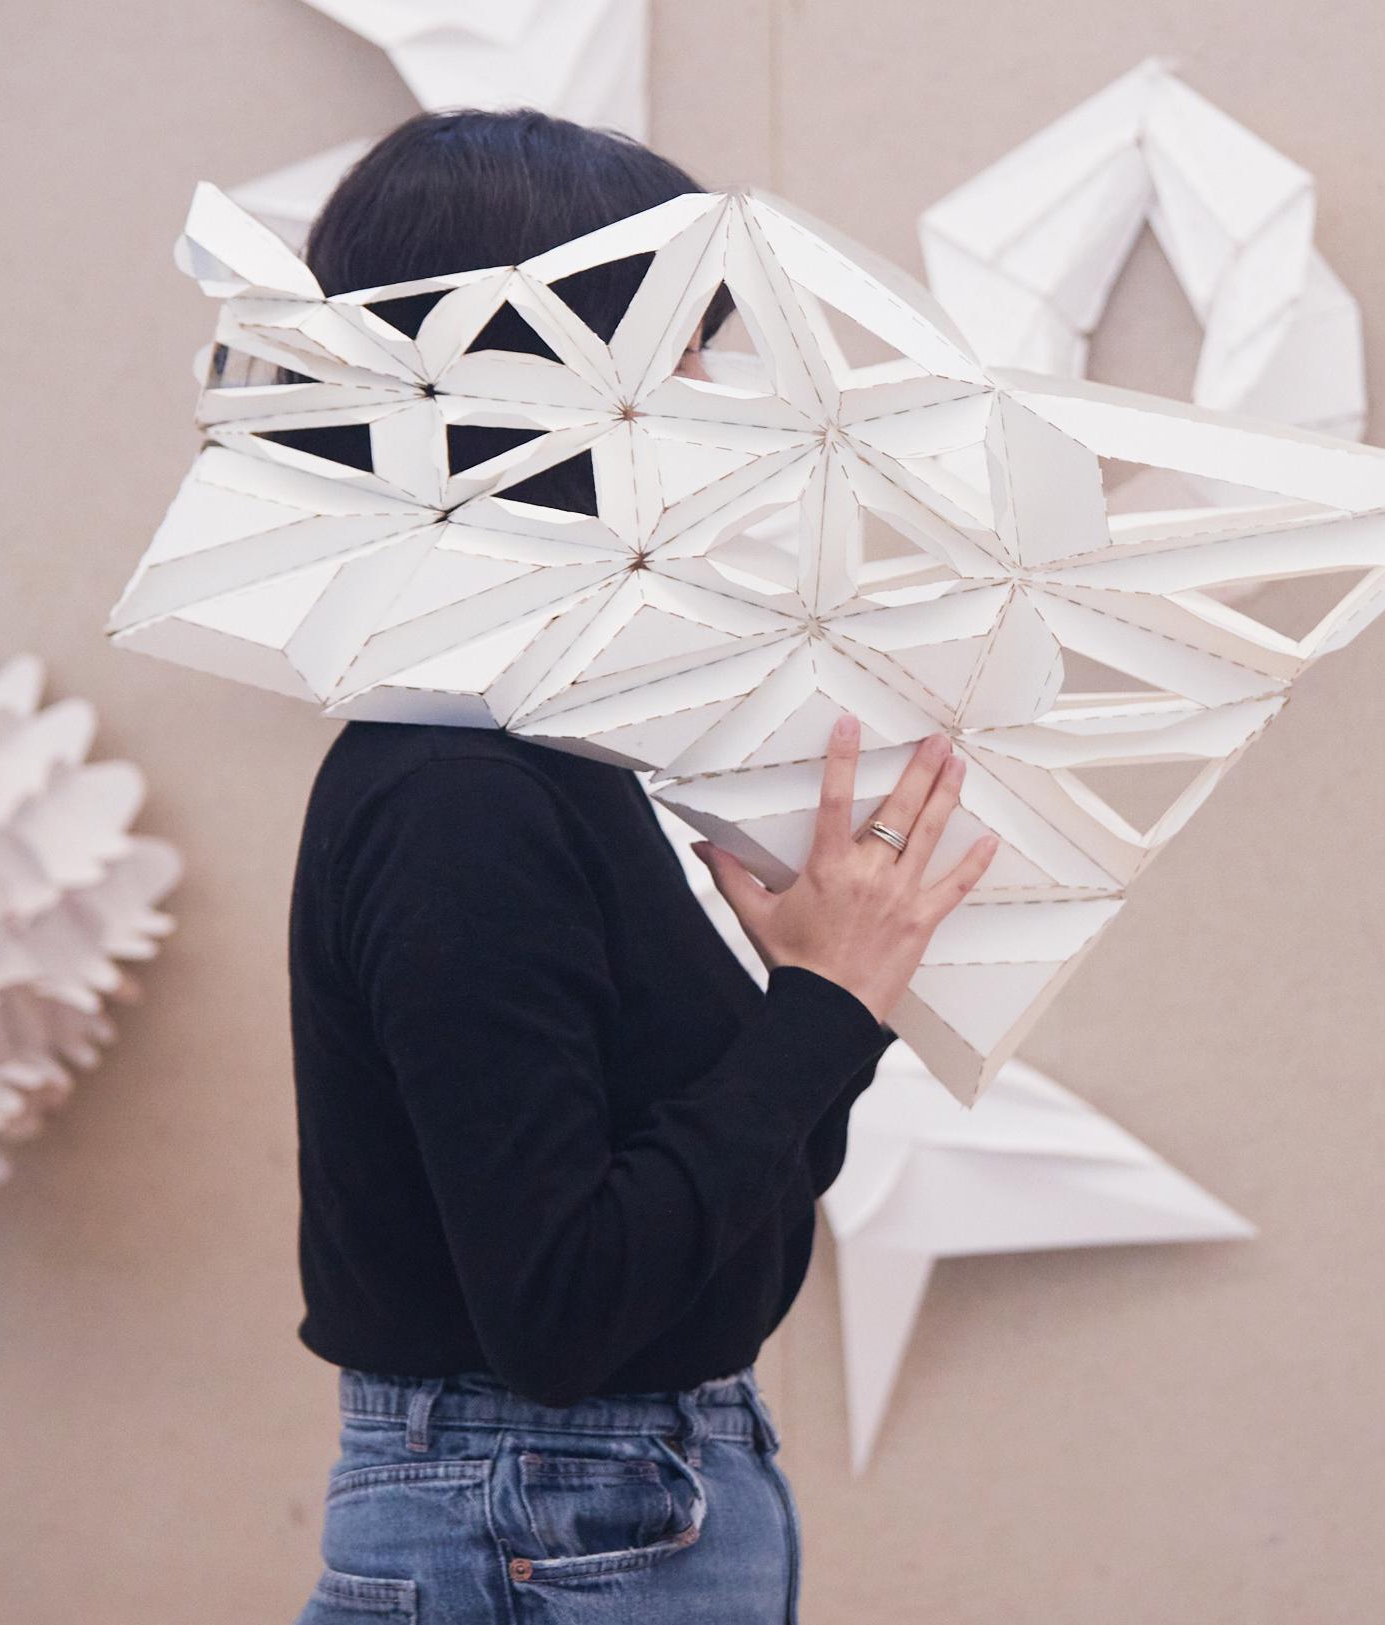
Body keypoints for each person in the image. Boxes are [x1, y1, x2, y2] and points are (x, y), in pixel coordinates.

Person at [282, 110, 996, 1625]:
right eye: (678, 360)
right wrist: (822, 1005)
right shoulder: (460, 790)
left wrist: (824, 1008)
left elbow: (712, 1237)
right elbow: (565, 1311)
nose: (711, 414)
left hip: (589, 1506)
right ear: (529, 379)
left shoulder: (536, 750)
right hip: (551, 1516)